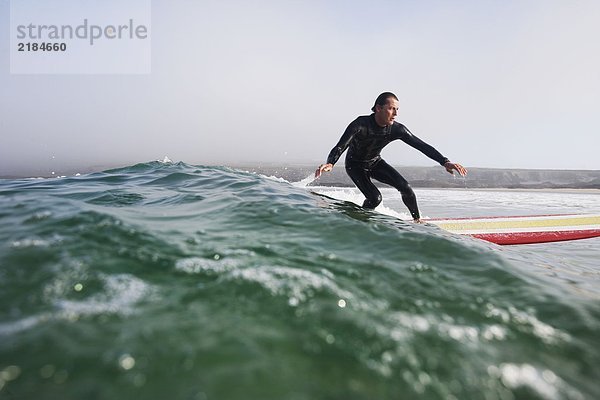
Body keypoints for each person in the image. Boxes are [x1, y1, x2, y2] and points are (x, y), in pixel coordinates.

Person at [315, 92, 467, 222]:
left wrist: (445, 161)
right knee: (375, 198)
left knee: (406, 188)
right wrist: (331, 163)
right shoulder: (360, 124)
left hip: (375, 163)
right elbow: (341, 145)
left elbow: (421, 145)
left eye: (397, 109)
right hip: (355, 165)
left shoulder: (397, 129)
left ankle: (417, 221)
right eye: (391, 108)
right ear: (378, 108)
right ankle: (358, 221)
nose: (395, 113)